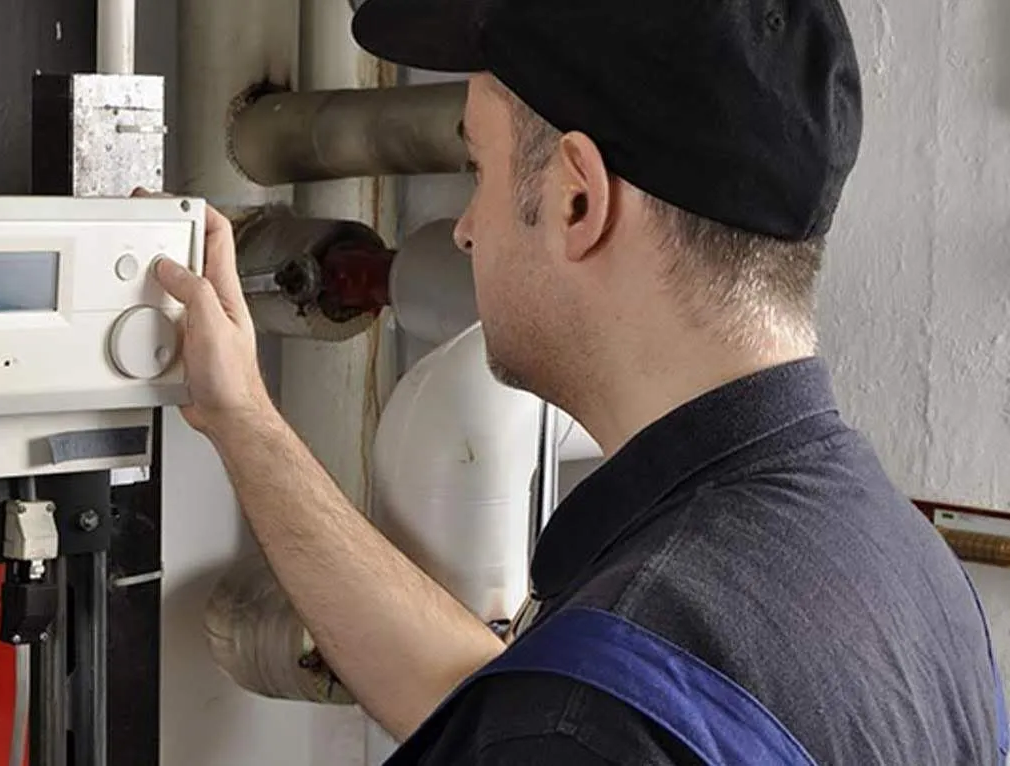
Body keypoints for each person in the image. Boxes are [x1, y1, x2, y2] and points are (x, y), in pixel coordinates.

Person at [146, 0, 1007, 763]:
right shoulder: (901, 571)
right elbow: (499, 697)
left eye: (477, 171)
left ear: (576, 202)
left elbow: (564, 721)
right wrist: (242, 419)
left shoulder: (588, 719)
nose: (466, 232)